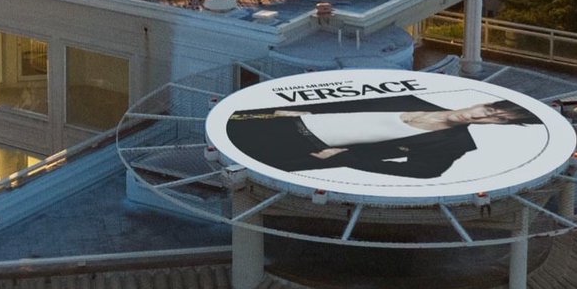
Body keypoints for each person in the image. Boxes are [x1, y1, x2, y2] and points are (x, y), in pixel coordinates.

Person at [225, 94, 543, 179]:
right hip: (284, 122)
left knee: (235, 159)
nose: (478, 116)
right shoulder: (419, 101)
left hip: (303, 146)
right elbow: (356, 103)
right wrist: (299, 109)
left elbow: (424, 172)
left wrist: (347, 159)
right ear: (482, 103)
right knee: (229, 131)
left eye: (494, 119)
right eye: (487, 109)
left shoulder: (454, 143)